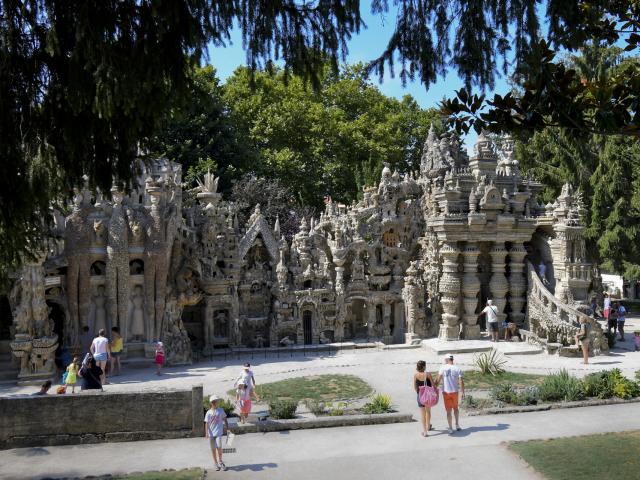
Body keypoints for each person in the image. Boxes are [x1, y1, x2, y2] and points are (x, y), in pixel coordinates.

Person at [436, 354, 464, 434]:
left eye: (445, 360)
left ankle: (450, 428)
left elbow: (438, 380)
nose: (444, 361)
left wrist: (434, 388)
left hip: (446, 392)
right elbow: (461, 381)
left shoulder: (442, 368)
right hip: (455, 392)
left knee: (448, 411)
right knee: (456, 409)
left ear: (447, 359)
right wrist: (462, 392)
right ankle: (457, 425)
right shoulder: (457, 368)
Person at [204, 394, 229, 472]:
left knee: (219, 447)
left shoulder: (221, 410)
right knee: (213, 449)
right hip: (211, 434)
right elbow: (206, 423)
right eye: (213, 402)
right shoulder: (208, 412)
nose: (215, 403)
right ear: (211, 403)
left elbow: (225, 418)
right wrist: (206, 433)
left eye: (216, 401)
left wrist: (227, 428)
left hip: (218, 433)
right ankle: (215, 463)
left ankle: (220, 461)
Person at [413, 360, 434, 437]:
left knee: (422, 414)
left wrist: (418, 393)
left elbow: (415, 386)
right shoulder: (428, 374)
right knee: (428, 411)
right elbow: (433, 385)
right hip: (428, 396)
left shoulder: (416, 375)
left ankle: (425, 431)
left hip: (420, 395)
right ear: (424, 367)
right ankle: (428, 426)